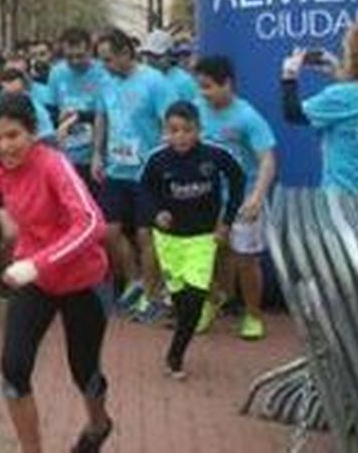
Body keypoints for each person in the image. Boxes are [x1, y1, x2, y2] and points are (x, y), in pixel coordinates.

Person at [0, 93, 114, 453]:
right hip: (36, 282)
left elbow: (92, 223)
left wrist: (36, 263)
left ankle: (99, 424)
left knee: (83, 370)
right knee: (13, 369)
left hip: (83, 281)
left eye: (13, 135)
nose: (5, 146)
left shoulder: (54, 165)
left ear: (32, 132)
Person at [140, 101, 244, 380]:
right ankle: (183, 324)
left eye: (188, 130)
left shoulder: (216, 155)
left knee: (195, 300)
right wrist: (156, 213)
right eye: (174, 130)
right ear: (165, 131)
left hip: (202, 239)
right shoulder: (157, 159)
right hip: (169, 241)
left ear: (199, 129)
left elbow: (238, 180)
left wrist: (227, 220)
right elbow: (144, 192)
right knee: (180, 299)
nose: (181, 136)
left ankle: (175, 356)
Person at [192, 55, 279, 341]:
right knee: (209, 253)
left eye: (208, 87)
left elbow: (267, 159)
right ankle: (210, 302)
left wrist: (256, 197)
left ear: (227, 83)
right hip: (208, 197)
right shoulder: (197, 111)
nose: (203, 93)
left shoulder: (247, 116)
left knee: (245, 259)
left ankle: (253, 315)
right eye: (200, 87)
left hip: (242, 198)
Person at [94, 29, 174, 322]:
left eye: (109, 59)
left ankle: (152, 295)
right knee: (110, 231)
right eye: (102, 60)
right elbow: (102, 116)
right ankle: (134, 281)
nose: (105, 65)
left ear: (127, 53)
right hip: (115, 169)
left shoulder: (155, 82)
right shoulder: (105, 81)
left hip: (147, 171)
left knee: (145, 234)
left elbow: (170, 121)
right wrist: (96, 154)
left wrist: (163, 160)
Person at [280, 22, 358, 195]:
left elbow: (292, 113)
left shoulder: (344, 95)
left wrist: (289, 75)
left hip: (345, 204)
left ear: (356, 57)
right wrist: (339, 71)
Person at [46, 28, 109, 187]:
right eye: (69, 57)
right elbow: (51, 110)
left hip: (96, 155)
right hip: (66, 154)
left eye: (80, 56)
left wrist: (80, 115)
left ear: (90, 50)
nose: (75, 61)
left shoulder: (103, 72)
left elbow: (109, 114)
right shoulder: (56, 73)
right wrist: (58, 119)